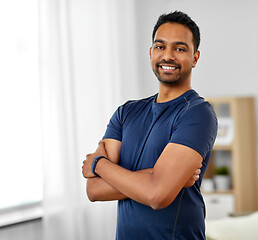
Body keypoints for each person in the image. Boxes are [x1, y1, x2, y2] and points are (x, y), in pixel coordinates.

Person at [82, 11, 217, 240]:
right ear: (151, 52)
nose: (168, 56)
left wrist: (99, 164)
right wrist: (158, 178)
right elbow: (94, 190)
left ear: (195, 57)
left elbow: (156, 195)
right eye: (160, 46)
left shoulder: (198, 113)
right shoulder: (125, 113)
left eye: (180, 48)